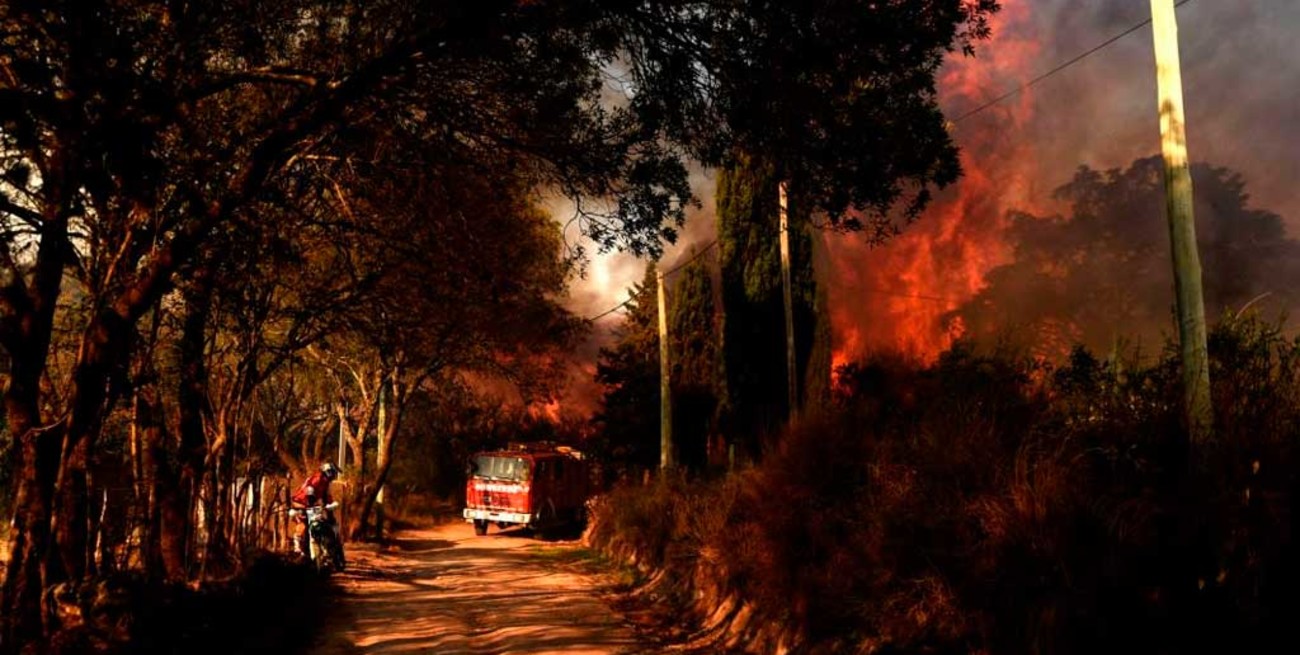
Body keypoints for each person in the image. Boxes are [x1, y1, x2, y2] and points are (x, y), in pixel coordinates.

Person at [291, 462, 341, 559]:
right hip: (300, 502)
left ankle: (325, 547)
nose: (334, 475)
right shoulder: (317, 479)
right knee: (303, 524)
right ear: (328, 472)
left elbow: (326, 497)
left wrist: (330, 508)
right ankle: (297, 547)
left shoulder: (325, 482)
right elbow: (309, 489)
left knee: (322, 521)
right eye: (333, 472)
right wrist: (311, 501)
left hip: (312, 504)